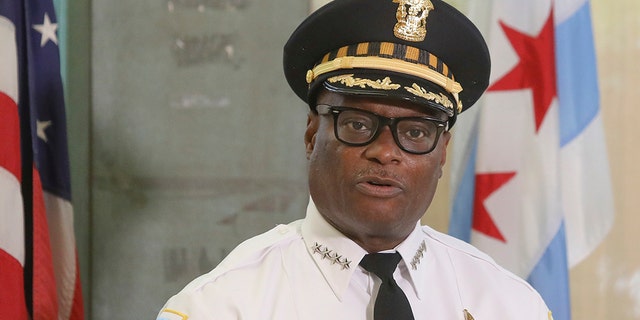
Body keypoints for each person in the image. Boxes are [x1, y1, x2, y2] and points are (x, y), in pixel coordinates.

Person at [157, 0, 553, 319]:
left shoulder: (510, 305)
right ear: (313, 134)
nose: (385, 152)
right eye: (359, 124)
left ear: (442, 150)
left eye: (416, 132)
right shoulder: (222, 306)